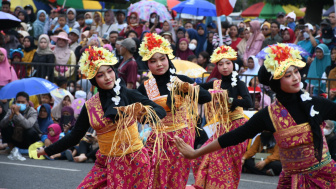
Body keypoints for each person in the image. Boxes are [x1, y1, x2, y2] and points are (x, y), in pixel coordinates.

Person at [175, 43, 336, 188]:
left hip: (326, 178)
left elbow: (245, 103)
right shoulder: (269, 114)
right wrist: (195, 153)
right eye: (288, 75)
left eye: (296, 72)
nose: (295, 78)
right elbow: (234, 136)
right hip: (291, 182)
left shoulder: (316, 104)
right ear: (275, 82)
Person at [37, 47, 166, 188]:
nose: (108, 77)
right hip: (104, 163)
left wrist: (142, 113)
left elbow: (159, 110)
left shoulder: (128, 94)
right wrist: (48, 150)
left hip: (134, 162)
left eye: (110, 71)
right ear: (93, 80)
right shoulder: (90, 106)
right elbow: (75, 136)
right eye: (100, 75)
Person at [137, 33, 211, 188]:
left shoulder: (180, 79)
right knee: (152, 177)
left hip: (180, 139)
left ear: (168, 59)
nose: (159, 64)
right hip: (156, 139)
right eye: (153, 61)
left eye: (162, 59)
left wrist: (187, 88)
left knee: (176, 180)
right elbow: (142, 119)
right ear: (147, 64)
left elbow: (206, 97)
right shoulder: (146, 87)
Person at [188, 45, 253, 188]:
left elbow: (249, 102)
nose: (224, 67)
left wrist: (228, 100)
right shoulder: (215, 83)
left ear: (233, 64)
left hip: (237, 127)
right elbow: (199, 89)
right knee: (201, 158)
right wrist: (190, 86)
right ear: (217, 66)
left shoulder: (239, 83)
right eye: (221, 64)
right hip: (222, 127)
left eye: (228, 63)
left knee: (225, 165)